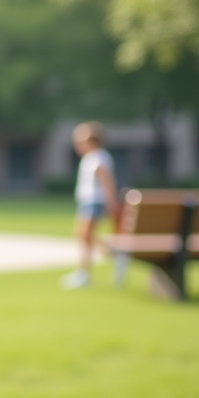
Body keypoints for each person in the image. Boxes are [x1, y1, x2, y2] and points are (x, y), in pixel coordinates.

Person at [61, 121, 124, 289]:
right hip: (88, 201)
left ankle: (86, 272)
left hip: (95, 201)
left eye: (80, 142)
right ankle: (115, 255)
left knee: (85, 235)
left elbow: (107, 182)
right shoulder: (91, 158)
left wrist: (113, 203)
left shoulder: (98, 157)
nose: (78, 146)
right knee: (84, 236)